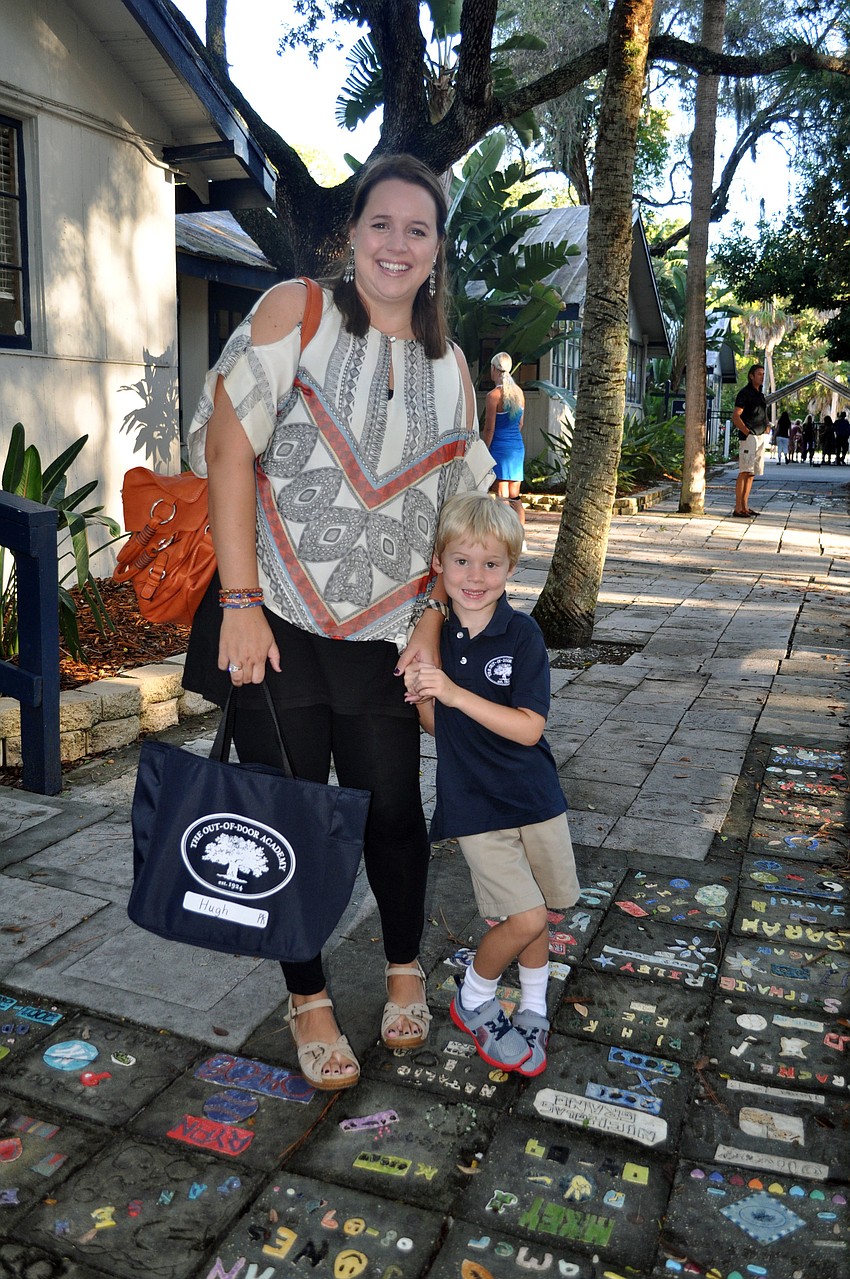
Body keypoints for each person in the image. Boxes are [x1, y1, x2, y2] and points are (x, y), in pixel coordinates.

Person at [182, 155, 494, 1090]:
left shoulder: (452, 368)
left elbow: (459, 515)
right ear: (351, 233)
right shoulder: (296, 313)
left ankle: (403, 968)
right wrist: (238, 603)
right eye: (381, 224)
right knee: (294, 818)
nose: (397, 244)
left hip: (389, 638)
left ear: (437, 252)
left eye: (419, 229)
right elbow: (228, 451)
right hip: (274, 619)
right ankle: (308, 993)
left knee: (395, 810)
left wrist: (432, 623)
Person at [408, 493, 580, 1077]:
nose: (474, 577)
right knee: (525, 917)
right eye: (460, 561)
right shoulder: (435, 641)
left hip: (534, 797)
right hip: (474, 804)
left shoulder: (523, 635)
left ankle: (533, 1005)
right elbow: (439, 724)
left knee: (544, 911)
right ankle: (474, 997)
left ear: (510, 568)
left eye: (489, 564)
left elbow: (530, 730)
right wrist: (426, 701)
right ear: (439, 564)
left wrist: (452, 694)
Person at [483, 352, 526, 541]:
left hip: (500, 448)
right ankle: (520, 539)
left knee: (502, 498)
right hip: (516, 447)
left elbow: (489, 428)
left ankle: (505, 539)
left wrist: (484, 450)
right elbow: (520, 424)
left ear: (494, 369)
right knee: (515, 498)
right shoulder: (519, 393)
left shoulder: (493, 395)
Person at [732, 364, 767, 517]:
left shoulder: (760, 394)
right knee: (744, 470)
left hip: (760, 436)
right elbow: (736, 416)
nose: (762, 376)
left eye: (763, 374)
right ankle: (738, 507)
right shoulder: (744, 393)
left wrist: (767, 426)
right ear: (751, 376)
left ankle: (745, 506)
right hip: (749, 437)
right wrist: (746, 431)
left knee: (752, 472)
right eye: (759, 374)